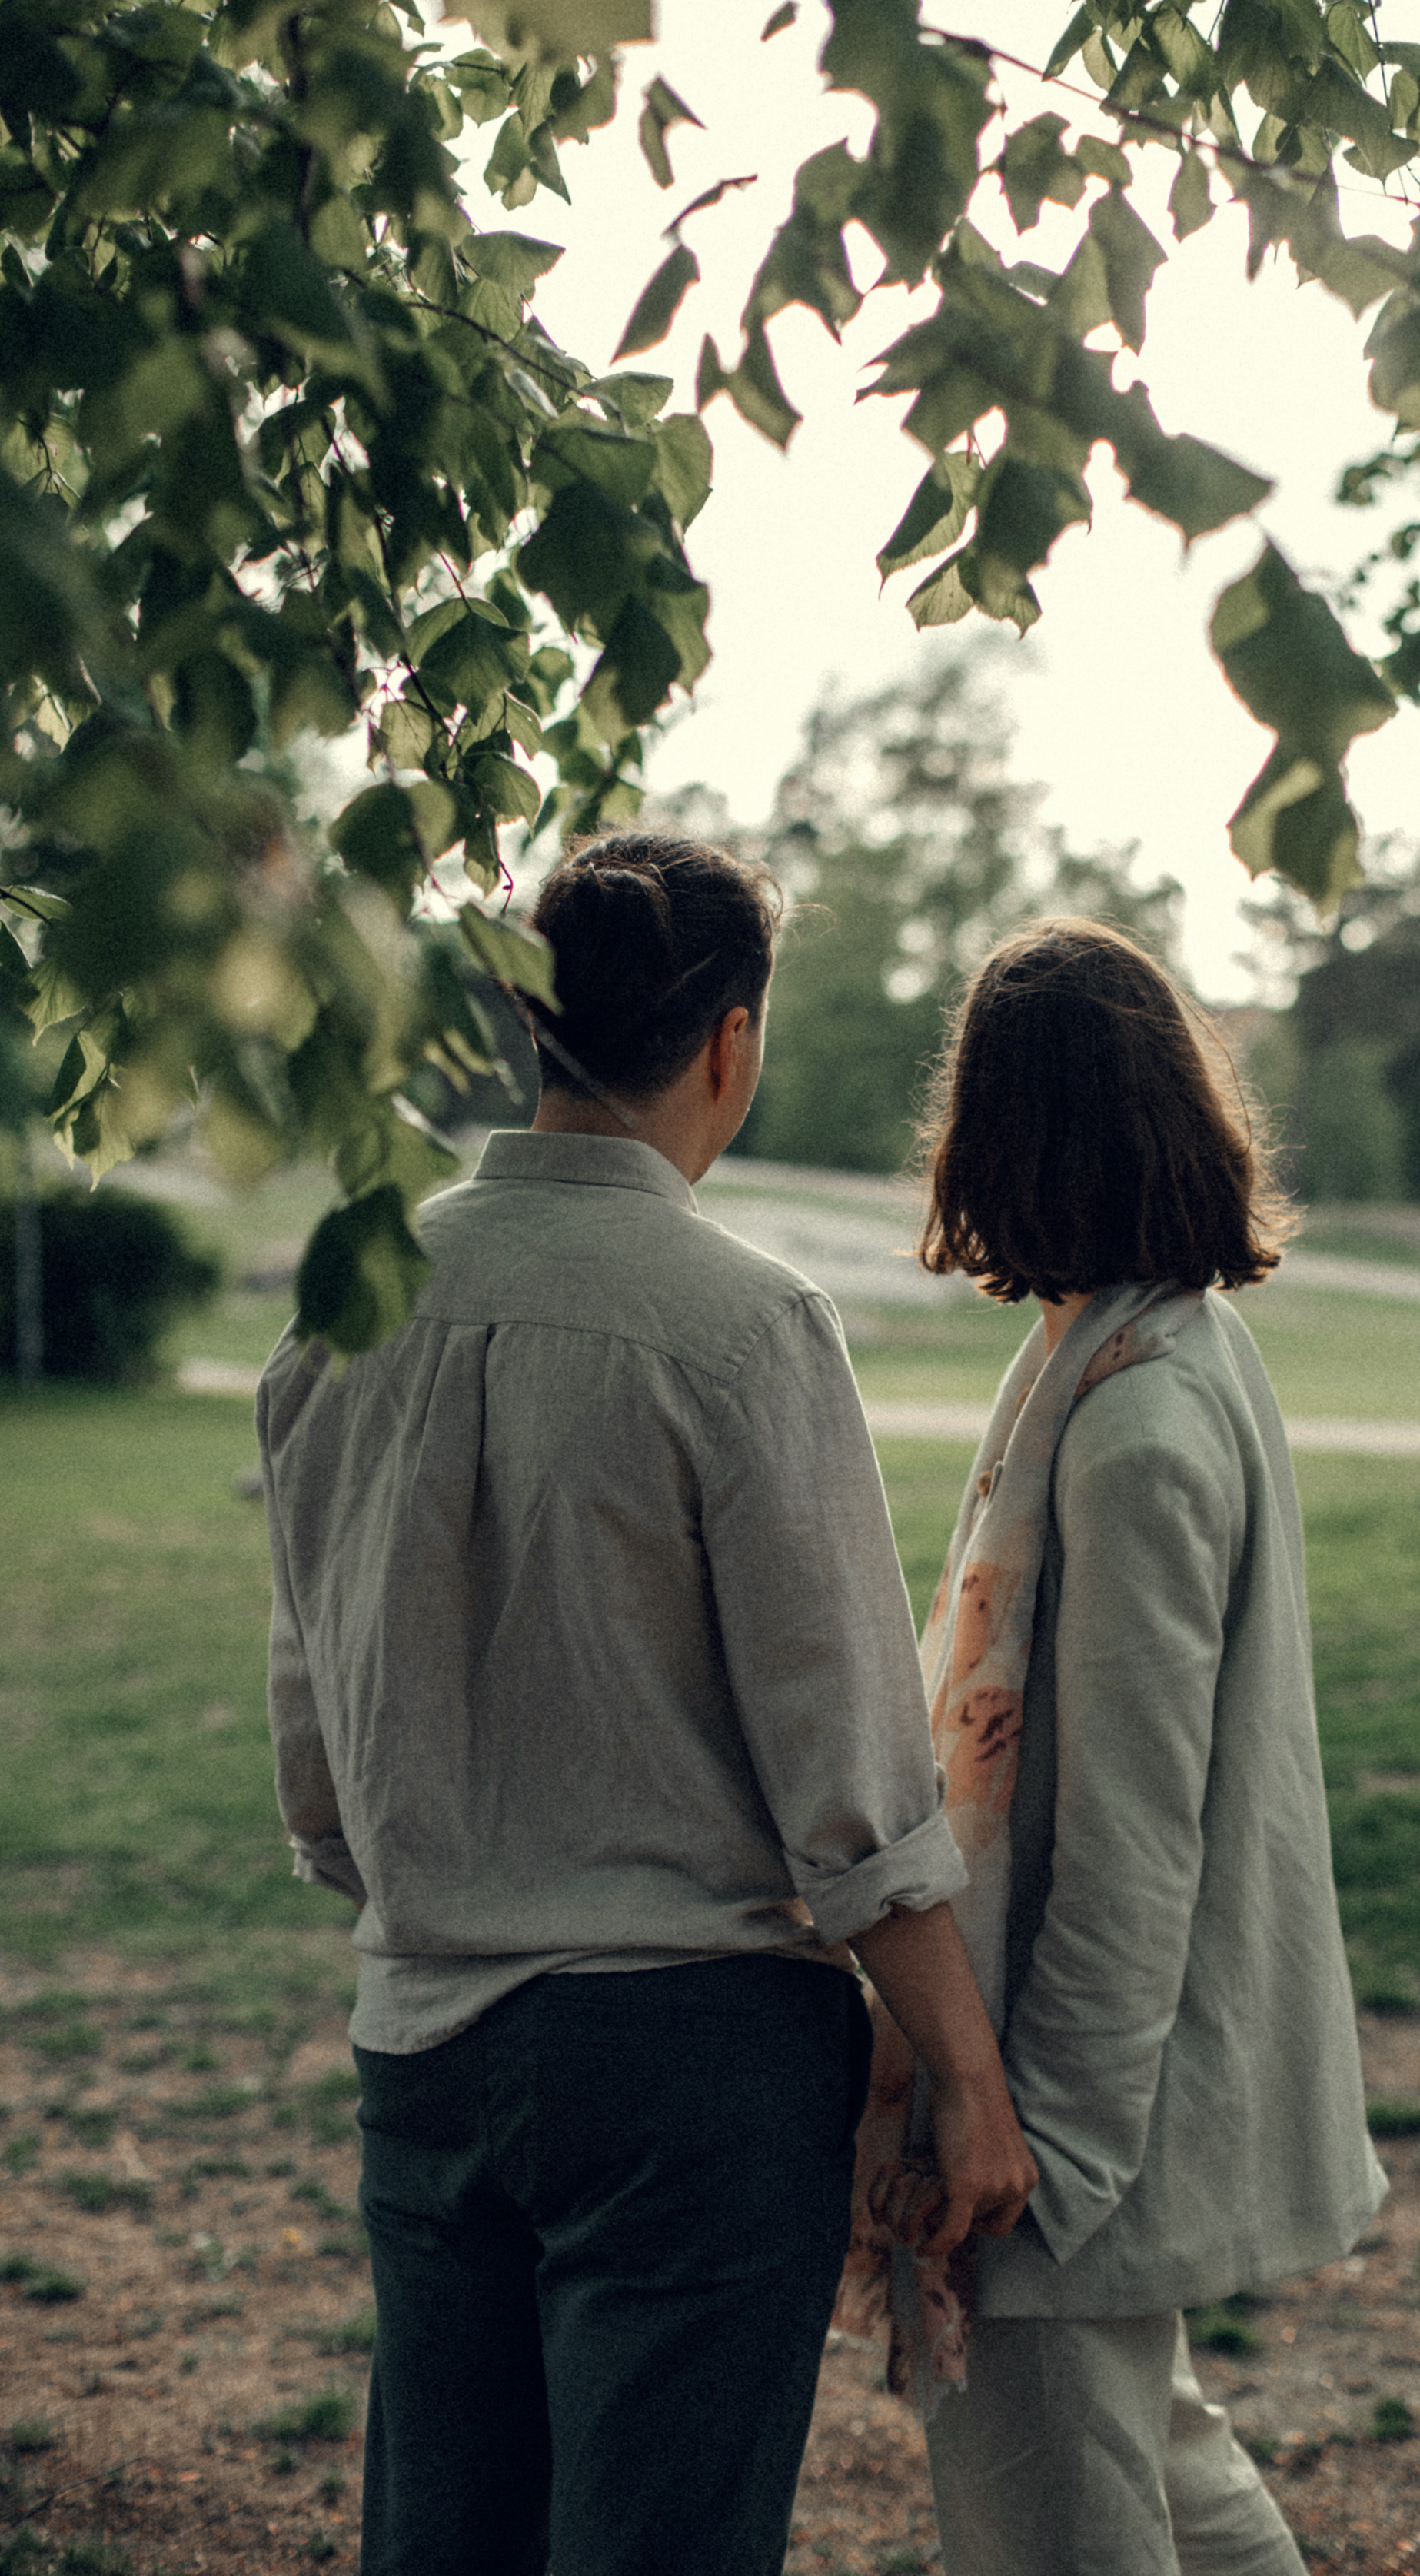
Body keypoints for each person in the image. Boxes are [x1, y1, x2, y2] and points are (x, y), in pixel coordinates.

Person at [256, 831, 1035, 2576]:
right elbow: (849, 1780)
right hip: (692, 2066)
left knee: (445, 2540)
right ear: (731, 1042)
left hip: (423, 2037)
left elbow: (316, 1754)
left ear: (533, 1022)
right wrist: (967, 2079)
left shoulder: (343, 1309)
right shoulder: (745, 1328)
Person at [849, 917, 1385, 2576]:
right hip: (1079, 2088)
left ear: (1006, 1137)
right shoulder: (1133, 1349)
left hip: (1072, 2109)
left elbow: (1136, 1838)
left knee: (1060, 2521)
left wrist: (1040, 2146)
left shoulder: (1139, 1420)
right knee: (1163, 2469)